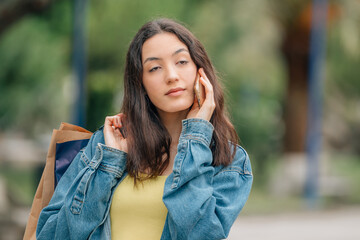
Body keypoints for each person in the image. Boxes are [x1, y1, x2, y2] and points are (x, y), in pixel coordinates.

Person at [36, 18, 253, 240]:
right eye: (155, 68)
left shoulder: (229, 161)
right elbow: (54, 235)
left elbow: (200, 234)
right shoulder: (107, 145)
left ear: (201, 72)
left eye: (181, 62)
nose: (171, 76)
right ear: (141, 84)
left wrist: (196, 135)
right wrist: (110, 163)